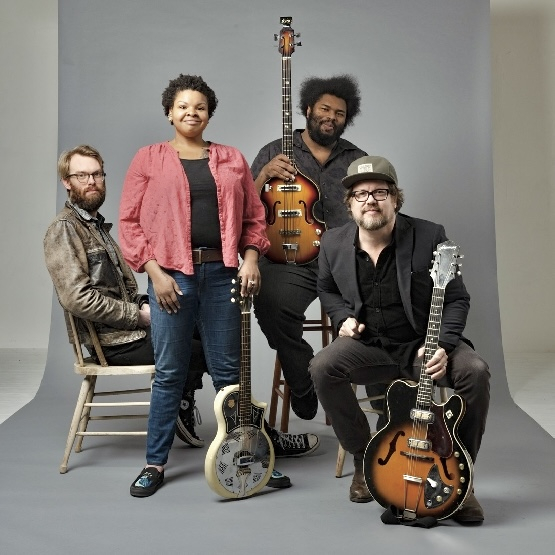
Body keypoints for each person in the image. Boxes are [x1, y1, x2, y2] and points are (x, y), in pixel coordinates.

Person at [119, 74, 309, 498]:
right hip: (171, 277)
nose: (192, 113)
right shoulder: (148, 159)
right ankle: (154, 463)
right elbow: (129, 223)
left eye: (200, 107)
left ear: (209, 114)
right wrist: (156, 274)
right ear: (169, 113)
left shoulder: (231, 159)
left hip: (223, 275)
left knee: (230, 373)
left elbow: (254, 218)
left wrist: (251, 259)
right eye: (183, 106)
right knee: (170, 373)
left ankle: (251, 458)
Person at [309, 155, 490, 523]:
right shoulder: (332, 242)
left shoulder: (430, 236)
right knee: (322, 367)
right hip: (369, 347)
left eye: (379, 192)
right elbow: (326, 288)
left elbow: (457, 298)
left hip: (425, 345)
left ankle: (460, 477)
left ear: (395, 198)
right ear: (350, 203)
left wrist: (443, 345)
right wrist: (342, 318)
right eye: (360, 194)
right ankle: (365, 460)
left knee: (475, 371)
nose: (370, 201)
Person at [44, 144, 206, 449]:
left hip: (129, 331)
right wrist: (139, 316)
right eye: (81, 176)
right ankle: (188, 407)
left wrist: (145, 303)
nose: (91, 182)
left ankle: (181, 401)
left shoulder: (97, 227)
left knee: (201, 322)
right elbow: (77, 298)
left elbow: (126, 289)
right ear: (66, 181)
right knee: (207, 350)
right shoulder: (64, 229)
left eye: (97, 174)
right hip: (112, 343)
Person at [251, 75, 368, 421]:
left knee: (378, 310)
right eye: (325, 109)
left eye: (340, 113)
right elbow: (244, 205)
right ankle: (304, 381)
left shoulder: (357, 159)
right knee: (270, 303)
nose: (331, 117)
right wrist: (264, 175)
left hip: (345, 261)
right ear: (307, 109)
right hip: (289, 259)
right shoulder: (274, 151)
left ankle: (385, 410)